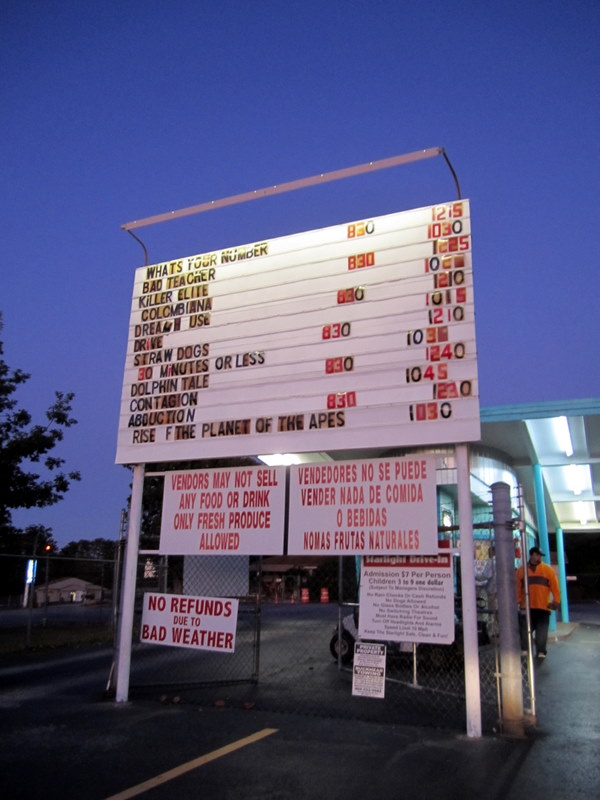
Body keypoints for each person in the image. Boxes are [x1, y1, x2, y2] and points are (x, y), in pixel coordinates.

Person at [516, 546, 561, 659]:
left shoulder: (547, 570)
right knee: (524, 630)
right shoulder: (521, 571)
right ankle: (525, 648)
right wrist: (518, 601)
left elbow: (555, 587)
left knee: (542, 631)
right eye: (537, 555)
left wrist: (556, 601)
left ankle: (541, 650)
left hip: (543, 606)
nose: (539, 557)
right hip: (526, 606)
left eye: (540, 555)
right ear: (531, 555)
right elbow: (517, 588)